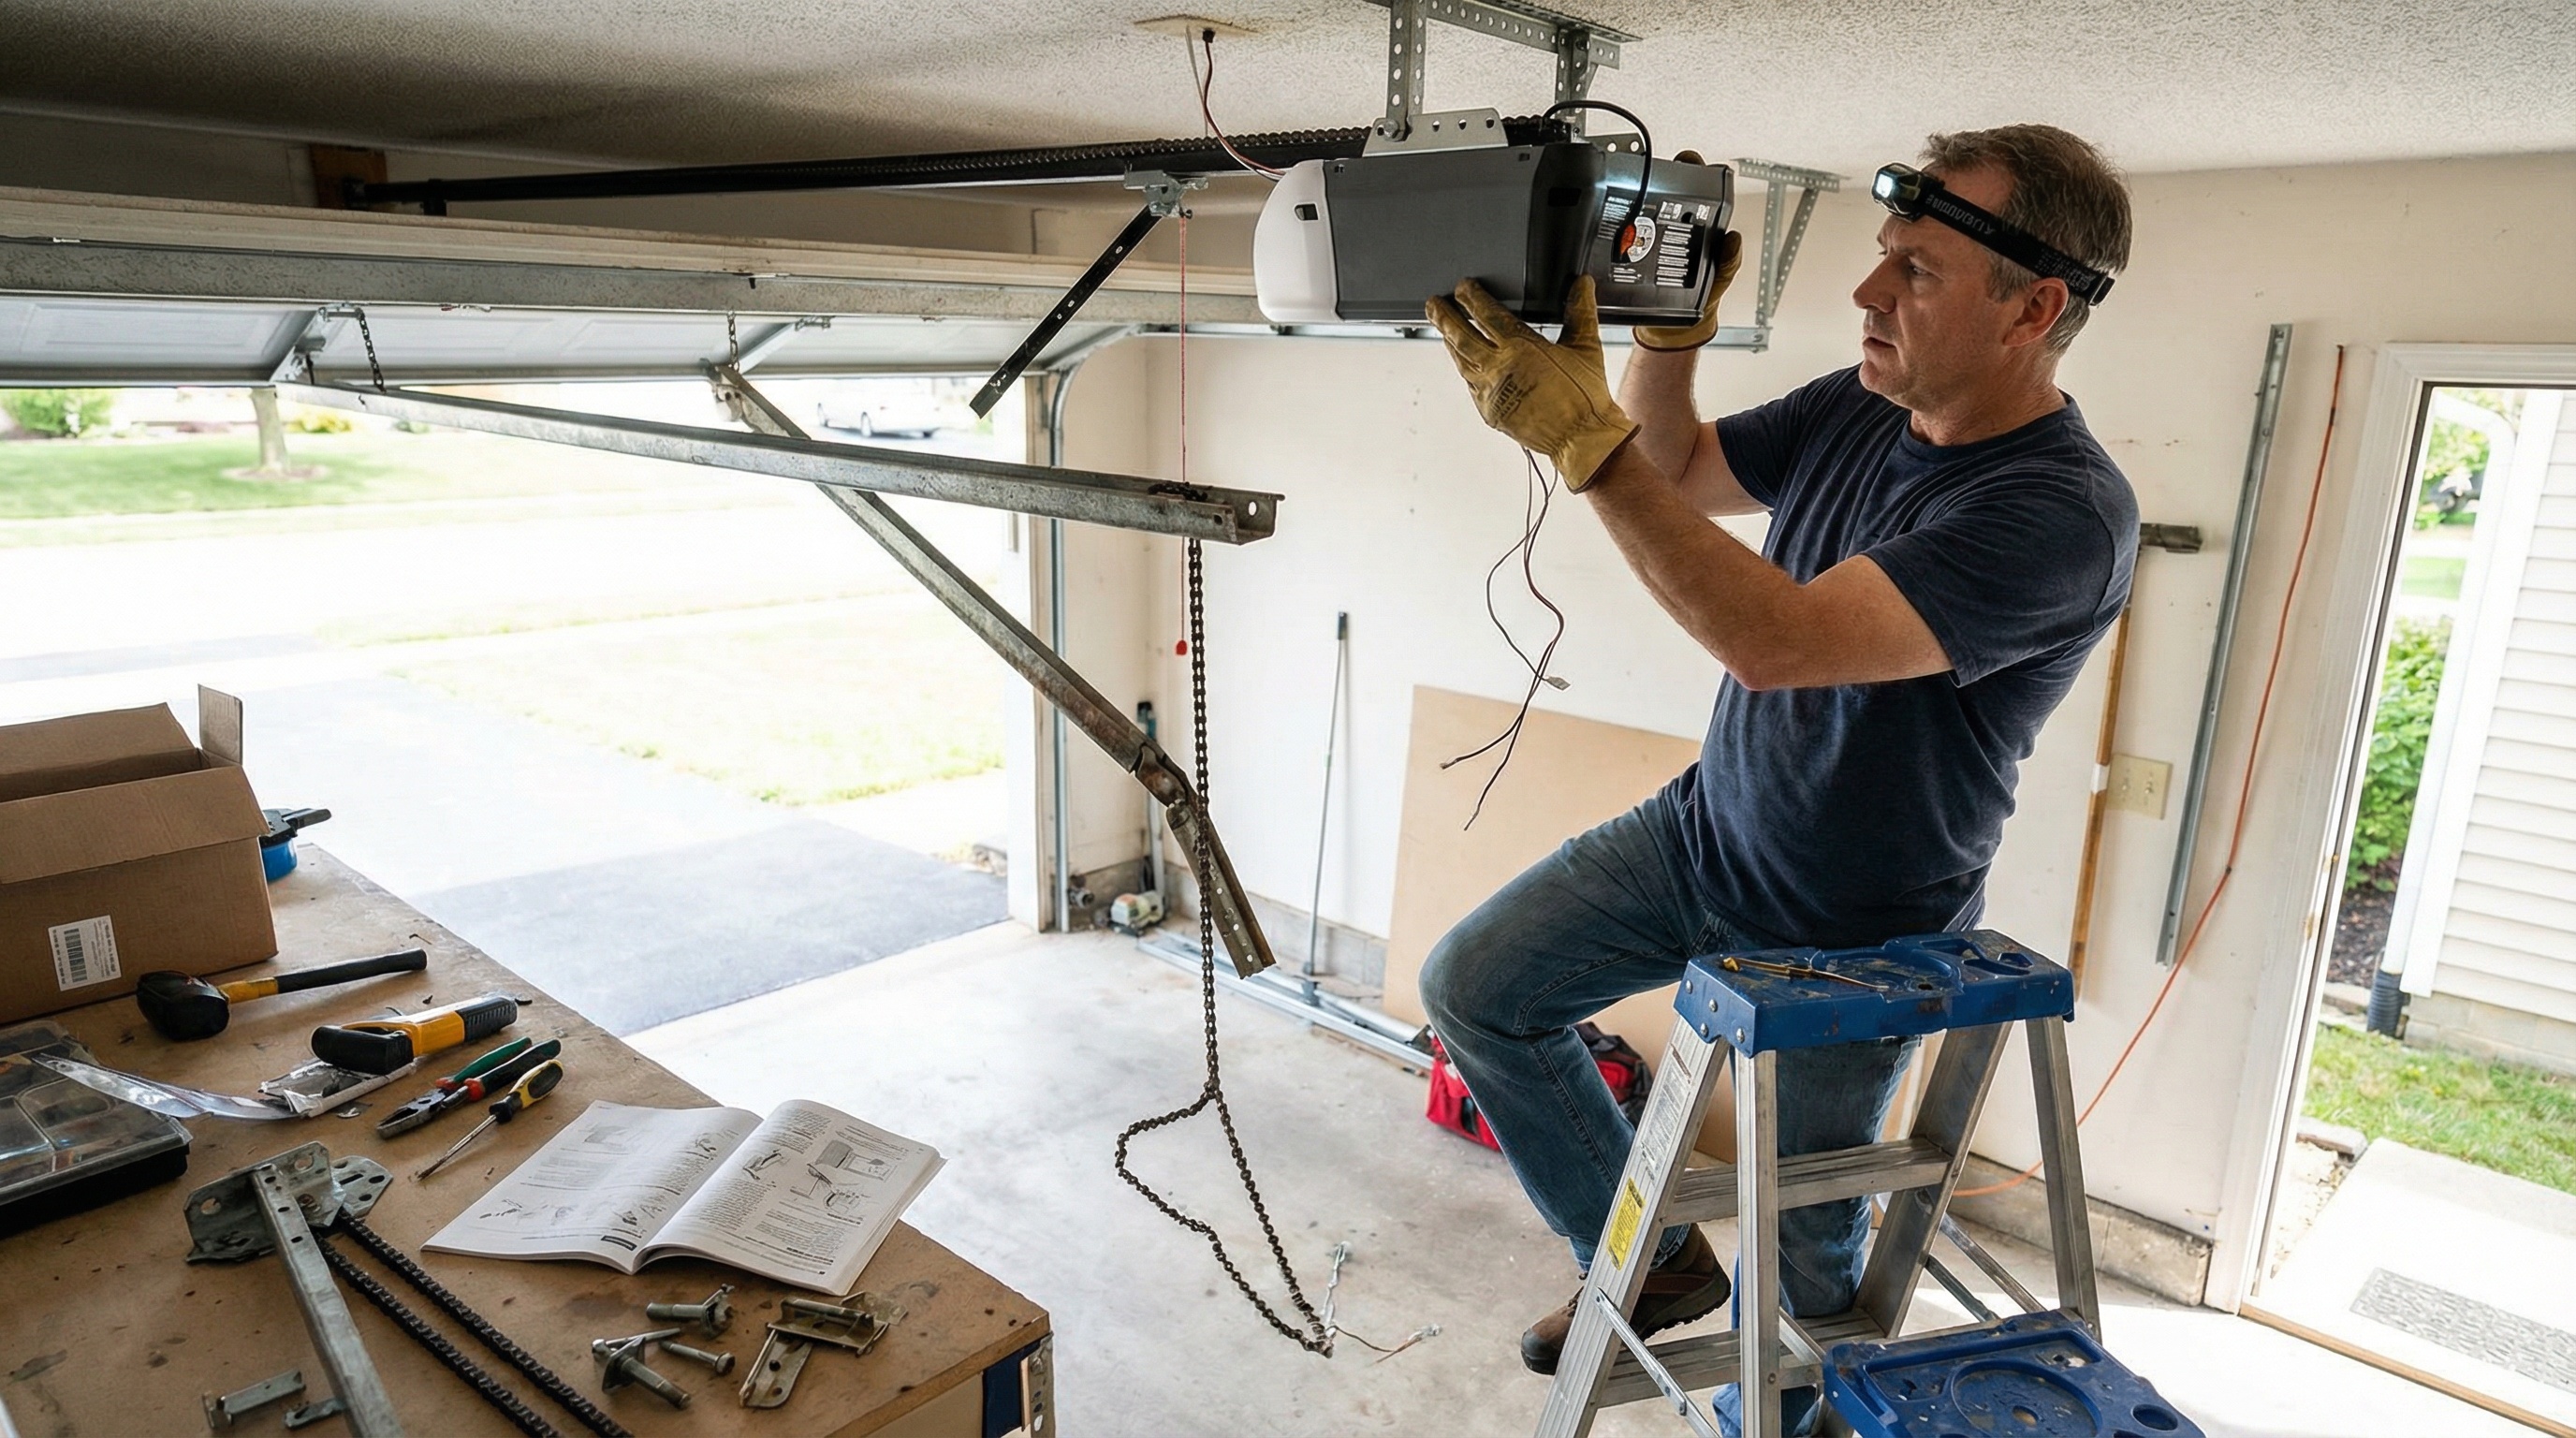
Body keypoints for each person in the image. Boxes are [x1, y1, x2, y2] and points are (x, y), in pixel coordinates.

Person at [1418, 124, 2138, 1435]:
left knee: (1805, 1263)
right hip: (1706, 836)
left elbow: (1775, 643)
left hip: (1853, 933)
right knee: (1476, 989)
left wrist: (1585, 453)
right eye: (1884, 258)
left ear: (2034, 310)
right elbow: (1682, 470)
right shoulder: (1864, 404)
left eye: (1916, 273)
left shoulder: (2060, 514)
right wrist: (1669, 339)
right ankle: (1650, 1261)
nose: (1868, 294)